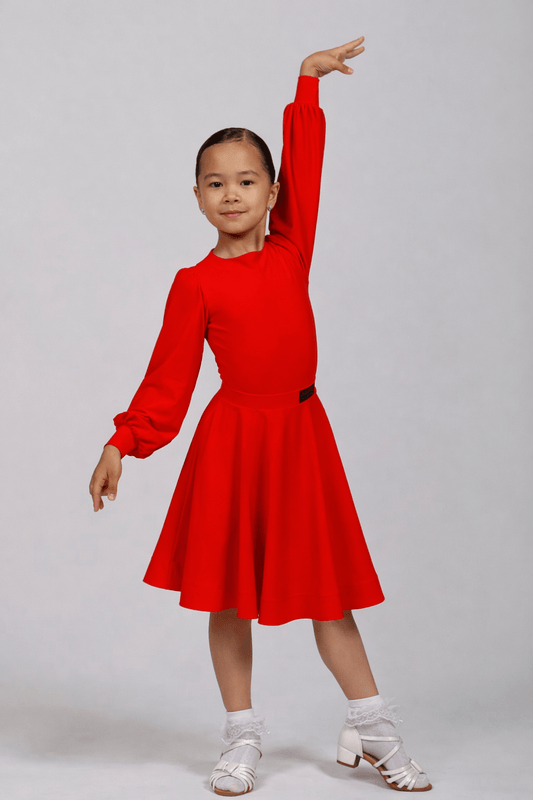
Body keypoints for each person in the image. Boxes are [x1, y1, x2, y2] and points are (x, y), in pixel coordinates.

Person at [89, 38, 432, 795]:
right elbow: (167, 381)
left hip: (301, 439)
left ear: (273, 192)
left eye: (248, 180)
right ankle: (242, 734)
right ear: (197, 195)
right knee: (229, 595)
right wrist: (124, 440)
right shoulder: (194, 284)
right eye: (216, 183)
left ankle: (371, 724)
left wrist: (304, 90)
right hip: (235, 441)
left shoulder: (289, 249)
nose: (233, 193)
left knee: (326, 595)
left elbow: (307, 165)